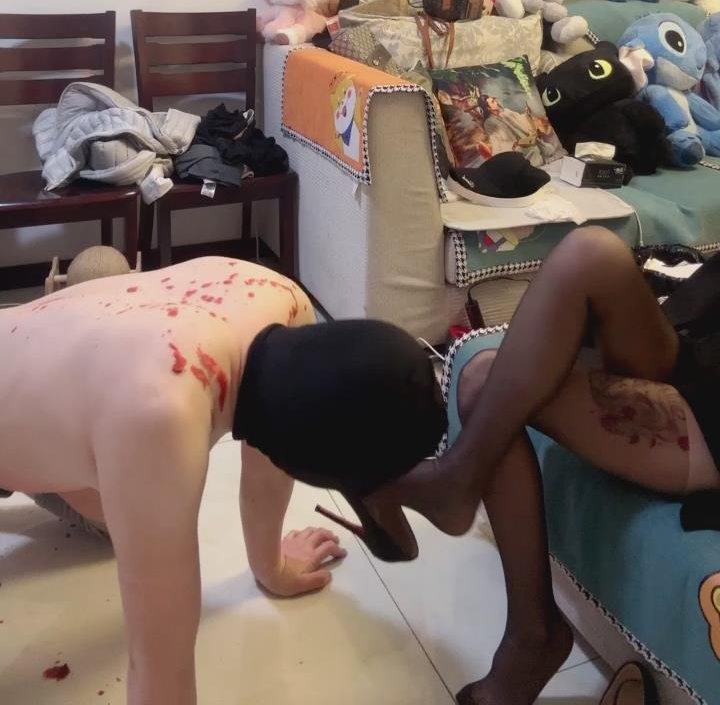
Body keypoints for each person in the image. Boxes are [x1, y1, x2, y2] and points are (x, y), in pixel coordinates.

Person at [0, 256, 446, 705]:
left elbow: (270, 444)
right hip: (70, 404)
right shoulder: (161, 412)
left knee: (118, 504)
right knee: (117, 518)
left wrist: (271, 566)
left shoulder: (280, 296)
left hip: (36, 350)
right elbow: (159, 675)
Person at [361, 227, 720, 705]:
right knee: (590, 253)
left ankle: (531, 633)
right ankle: (456, 481)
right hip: (702, 338)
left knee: (483, 386)